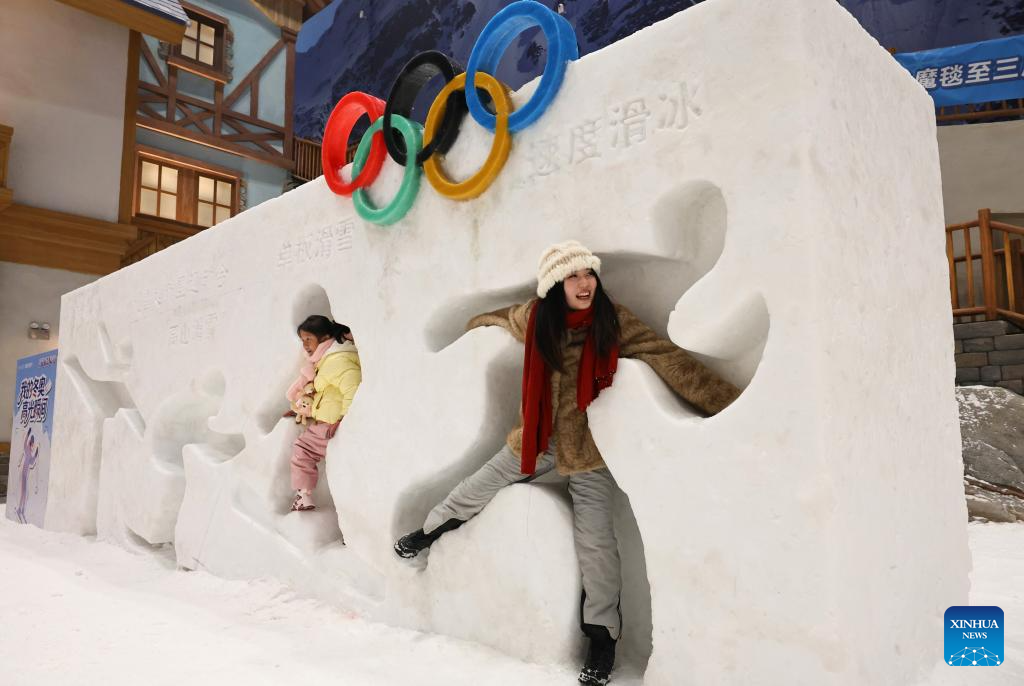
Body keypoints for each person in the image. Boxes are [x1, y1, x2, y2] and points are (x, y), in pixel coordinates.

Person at [393, 240, 740, 685]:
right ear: (555, 285)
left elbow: (667, 358)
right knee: (474, 487)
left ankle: (602, 639)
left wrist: (724, 401)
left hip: (586, 453)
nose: (584, 283)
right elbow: (500, 319)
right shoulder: (537, 320)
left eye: (589, 274)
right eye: (573, 276)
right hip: (533, 443)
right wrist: (472, 325)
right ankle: (427, 533)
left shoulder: (612, 322)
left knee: (596, 544)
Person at [286, 315, 361, 512]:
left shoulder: (337, 360)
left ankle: (303, 495)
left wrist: (344, 418)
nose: (305, 345)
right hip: (329, 422)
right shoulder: (329, 359)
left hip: (332, 424)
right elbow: (329, 397)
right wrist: (305, 410)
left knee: (302, 449)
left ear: (325, 336)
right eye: (302, 341)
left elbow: (352, 386)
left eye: (309, 339)